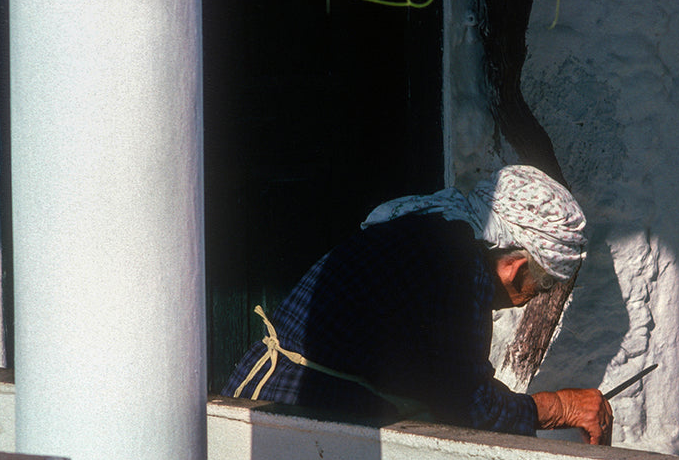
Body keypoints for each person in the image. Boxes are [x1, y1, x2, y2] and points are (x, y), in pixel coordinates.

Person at [222, 164, 613, 444]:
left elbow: (444, 384)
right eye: (540, 288)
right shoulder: (461, 267)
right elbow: (475, 410)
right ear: (515, 265)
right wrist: (561, 406)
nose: (526, 302)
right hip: (284, 413)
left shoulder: (440, 236)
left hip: (280, 403)